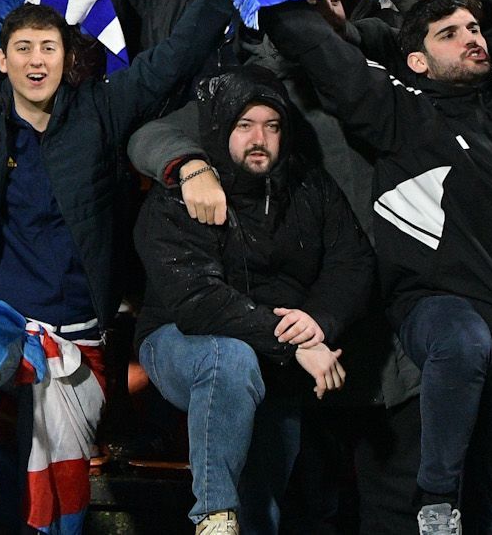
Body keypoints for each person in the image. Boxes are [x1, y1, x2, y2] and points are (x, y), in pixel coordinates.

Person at [0, 0, 244, 535]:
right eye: (22, 48)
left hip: (78, 340)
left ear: (64, 56)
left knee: (57, 516)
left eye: (47, 47)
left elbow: (175, 56)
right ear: (2, 61)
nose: (35, 60)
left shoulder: (101, 108)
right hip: (2, 326)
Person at [260, 0, 492, 535]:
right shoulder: (401, 112)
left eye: (474, 27)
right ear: (416, 60)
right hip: (439, 309)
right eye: (449, 33)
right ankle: (435, 497)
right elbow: (321, 48)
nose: (471, 37)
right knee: (462, 340)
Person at [132, 70, 375, 535]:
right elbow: (196, 301)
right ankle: (214, 517)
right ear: (223, 128)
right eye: (245, 125)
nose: (259, 138)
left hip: (276, 360)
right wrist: (294, 344)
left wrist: (316, 322)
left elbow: (353, 262)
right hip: (182, 342)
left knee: (264, 506)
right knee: (230, 357)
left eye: (272, 125)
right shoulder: (183, 194)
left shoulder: (309, 185)